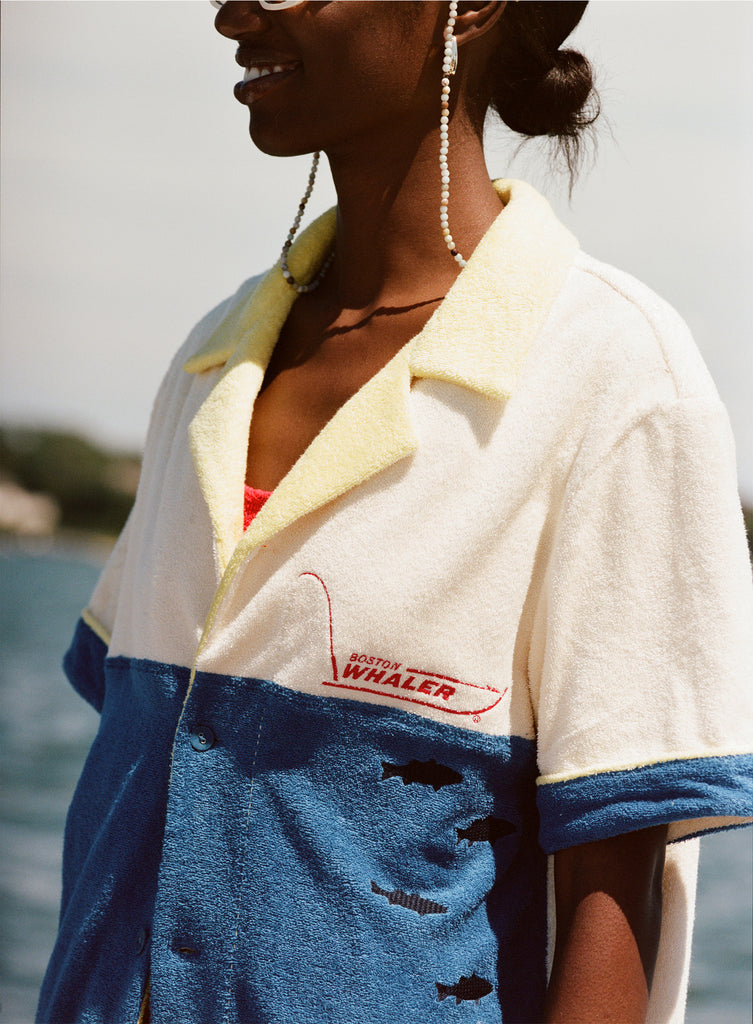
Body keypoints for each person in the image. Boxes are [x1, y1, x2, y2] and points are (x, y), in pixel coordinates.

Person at [38, 2, 753, 1022]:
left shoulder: (612, 377)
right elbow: (139, 794)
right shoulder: (211, 364)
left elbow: (614, 897)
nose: (233, 12)